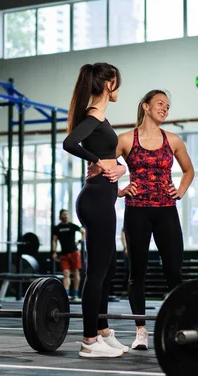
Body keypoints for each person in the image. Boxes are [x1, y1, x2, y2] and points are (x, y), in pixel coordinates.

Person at [116, 89, 194, 350]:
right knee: (136, 272)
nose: (165, 108)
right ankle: (141, 331)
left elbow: (188, 170)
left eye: (168, 106)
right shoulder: (126, 139)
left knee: (174, 271)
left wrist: (180, 190)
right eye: (160, 103)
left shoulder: (172, 140)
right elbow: (100, 166)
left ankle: (178, 325)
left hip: (166, 211)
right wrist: (119, 190)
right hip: (136, 211)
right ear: (146, 107)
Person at [62, 62, 130, 358]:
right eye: (118, 84)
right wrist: (100, 162)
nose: (119, 89)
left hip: (104, 199)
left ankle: (102, 330)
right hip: (95, 202)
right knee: (97, 272)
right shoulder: (93, 115)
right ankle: (90, 341)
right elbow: (69, 142)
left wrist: (118, 169)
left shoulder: (101, 118)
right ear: (109, 83)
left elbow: (106, 155)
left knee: (108, 267)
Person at [51, 209, 85, 301]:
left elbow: (83, 231)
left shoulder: (72, 226)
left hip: (74, 252)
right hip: (64, 254)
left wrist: (80, 241)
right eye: (63, 214)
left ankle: (76, 294)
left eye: (66, 214)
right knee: (66, 273)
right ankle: (66, 294)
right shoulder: (57, 228)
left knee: (76, 273)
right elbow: (54, 240)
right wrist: (53, 252)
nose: (65, 216)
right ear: (60, 216)